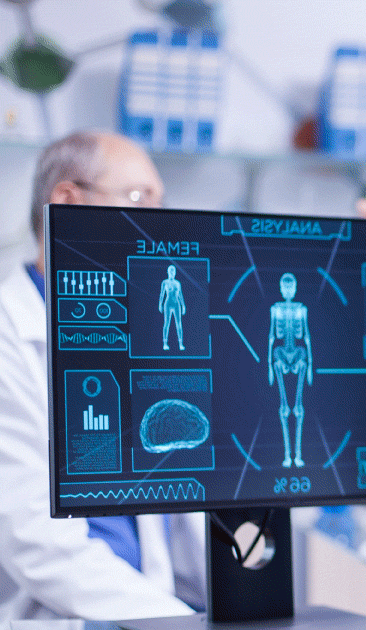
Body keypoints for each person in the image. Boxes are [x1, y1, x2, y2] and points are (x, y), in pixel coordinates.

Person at [0, 130, 211, 621]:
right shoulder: (9, 336)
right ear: (67, 202)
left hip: (155, 605)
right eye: (139, 199)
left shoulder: (134, 330)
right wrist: (177, 620)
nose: (157, 225)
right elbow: (36, 540)